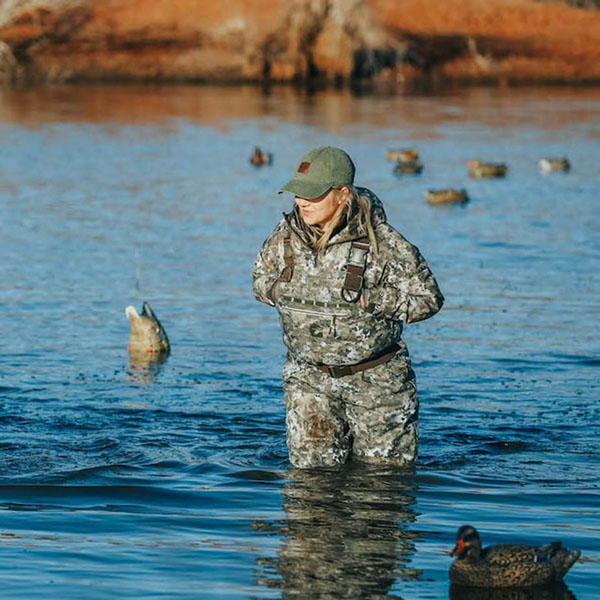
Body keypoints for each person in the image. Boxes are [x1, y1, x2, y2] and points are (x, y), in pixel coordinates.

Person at [252, 146, 443, 469]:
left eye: (312, 194)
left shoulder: (383, 242)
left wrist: (377, 300)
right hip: (308, 380)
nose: (301, 201)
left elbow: (429, 299)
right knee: (310, 489)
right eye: (297, 192)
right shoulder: (285, 236)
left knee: (381, 487)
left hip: (378, 385)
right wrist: (282, 290)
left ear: (342, 194)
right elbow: (259, 280)